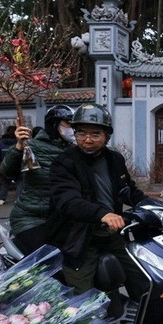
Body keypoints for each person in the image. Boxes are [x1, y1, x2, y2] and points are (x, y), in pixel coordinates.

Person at [47, 104, 147, 298]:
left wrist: (150, 205)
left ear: (106, 136)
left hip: (111, 234)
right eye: (81, 133)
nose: (87, 140)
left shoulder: (115, 159)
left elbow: (128, 190)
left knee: (141, 281)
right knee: (82, 300)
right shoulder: (64, 162)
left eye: (95, 134)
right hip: (79, 238)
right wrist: (102, 214)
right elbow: (67, 200)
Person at [0, 105, 76, 254]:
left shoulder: (74, 150)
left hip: (62, 219)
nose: (73, 129)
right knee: (51, 261)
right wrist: (18, 146)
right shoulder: (31, 146)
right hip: (31, 218)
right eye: (69, 124)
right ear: (54, 125)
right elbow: (7, 171)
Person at [0, 125, 19, 205]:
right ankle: (17, 199)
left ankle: (2, 199)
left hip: (5, 164)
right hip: (17, 165)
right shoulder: (18, 142)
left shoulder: (1, 142)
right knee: (19, 182)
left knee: (5, 182)